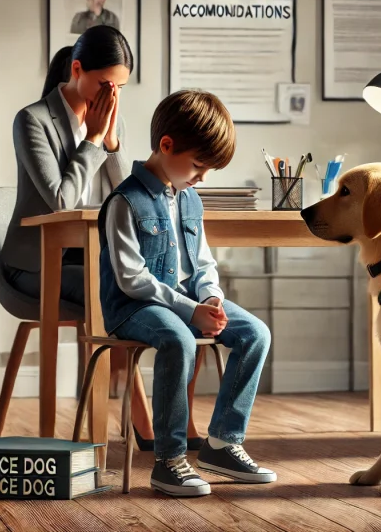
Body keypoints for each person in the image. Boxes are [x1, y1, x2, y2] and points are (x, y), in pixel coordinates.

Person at [98, 89, 276, 497]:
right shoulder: (124, 201)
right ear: (166, 146)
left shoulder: (191, 198)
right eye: (198, 166)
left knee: (255, 333)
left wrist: (211, 298)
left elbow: (204, 263)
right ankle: (169, 460)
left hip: (188, 301)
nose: (202, 178)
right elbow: (132, 279)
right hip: (135, 307)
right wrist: (191, 310)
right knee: (179, 340)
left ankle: (222, 444)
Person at [2, 24, 164, 450]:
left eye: (121, 87)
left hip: (91, 257)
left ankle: (145, 426)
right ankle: (128, 432)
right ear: (77, 69)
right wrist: (92, 139)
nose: (112, 95)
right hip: (36, 263)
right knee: (110, 291)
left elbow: (125, 197)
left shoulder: (115, 122)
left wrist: (111, 143)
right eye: (105, 84)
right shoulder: (33, 120)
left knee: (138, 285)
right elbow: (60, 201)